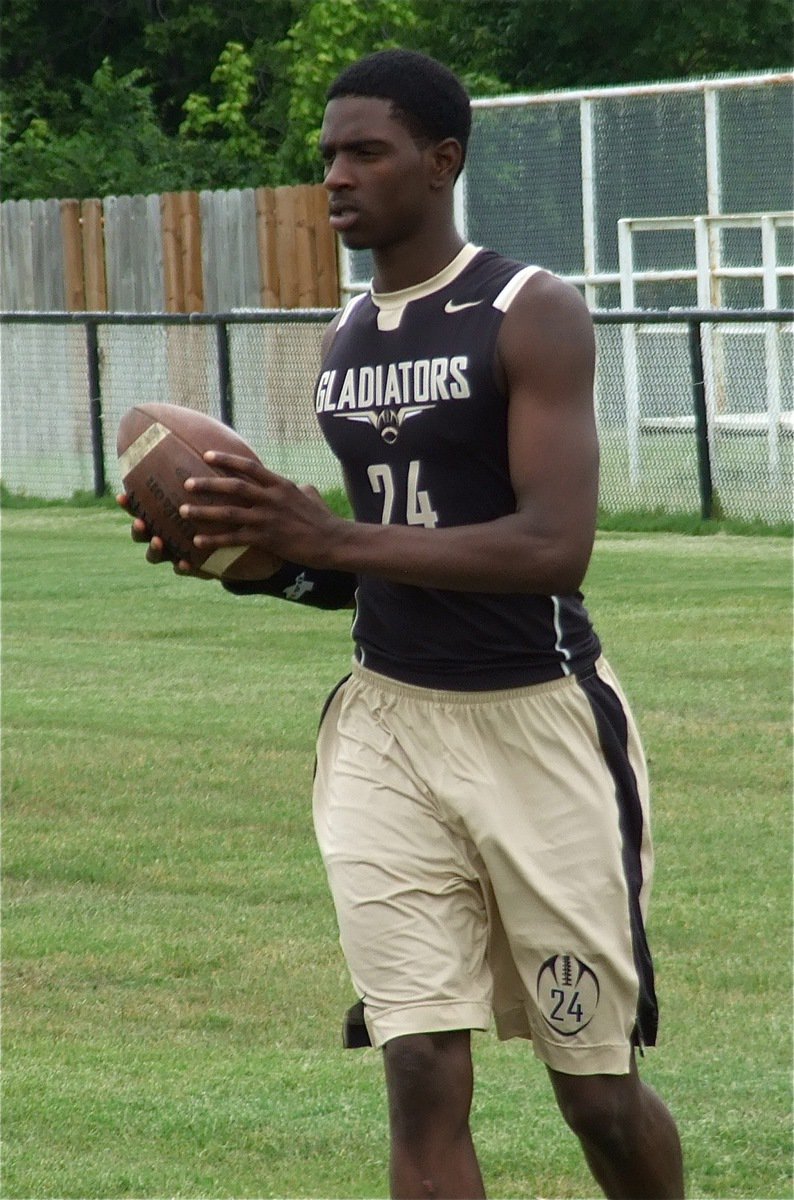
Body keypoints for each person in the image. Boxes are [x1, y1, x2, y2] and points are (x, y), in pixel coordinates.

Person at [121, 48, 684, 1200]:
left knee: (595, 1095)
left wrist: (322, 538)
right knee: (420, 1065)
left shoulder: (528, 311)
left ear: (440, 163)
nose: (335, 176)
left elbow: (548, 548)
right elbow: (369, 569)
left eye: (364, 152)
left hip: (535, 730)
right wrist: (254, 565)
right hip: (386, 728)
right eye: (327, 154)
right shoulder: (349, 339)